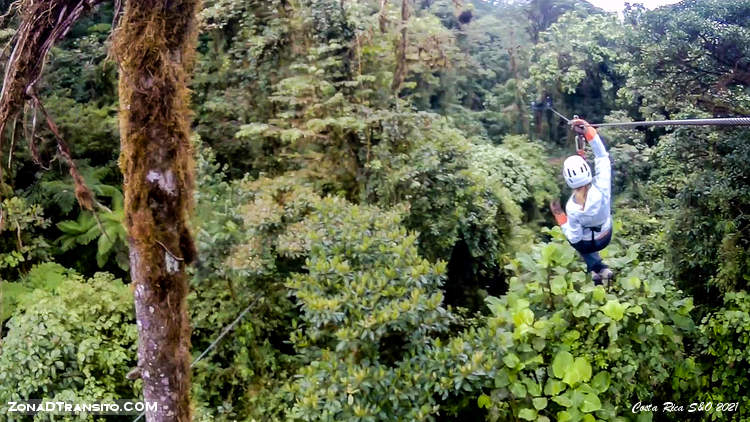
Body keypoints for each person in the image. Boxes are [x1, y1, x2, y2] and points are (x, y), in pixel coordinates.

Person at [549, 118, 614, 285]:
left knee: (577, 239)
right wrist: (588, 131)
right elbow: (602, 157)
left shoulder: (572, 207)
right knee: (585, 235)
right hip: (605, 236)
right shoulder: (602, 188)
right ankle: (599, 270)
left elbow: (575, 238)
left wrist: (559, 216)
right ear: (588, 172)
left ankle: (596, 267)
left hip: (589, 243)